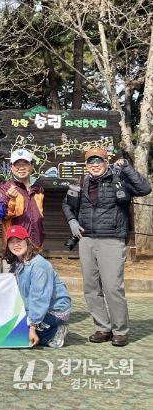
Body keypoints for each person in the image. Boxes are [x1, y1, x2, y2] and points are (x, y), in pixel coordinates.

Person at [62, 148, 151, 347]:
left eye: (99, 160)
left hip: (112, 239)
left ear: (106, 161)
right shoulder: (80, 182)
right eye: (91, 161)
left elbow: (144, 189)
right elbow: (66, 204)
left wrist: (126, 167)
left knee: (112, 287)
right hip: (86, 239)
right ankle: (102, 327)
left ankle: (120, 331)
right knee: (91, 287)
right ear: (86, 164)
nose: (95, 165)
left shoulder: (119, 179)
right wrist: (72, 221)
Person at [5, 225, 71, 348]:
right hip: (34, 307)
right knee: (9, 329)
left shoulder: (39, 265)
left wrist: (32, 327)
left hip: (54, 309)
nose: (16, 245)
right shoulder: (18, 263)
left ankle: (53, 333)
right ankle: (45, 330)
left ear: (27, 241)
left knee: (19, 336)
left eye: (19, 241)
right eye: (11, 242)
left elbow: (39, 298)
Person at [0, 148, 45, 248]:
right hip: (15, 246)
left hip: (36, 244)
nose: (21, 167)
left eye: (25, 163)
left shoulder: (38, 189)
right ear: (11, 167)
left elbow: (39, 216)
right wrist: (8, 197)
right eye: (17, 164)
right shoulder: (4, 188)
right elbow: (0, 213)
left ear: (32, 166)